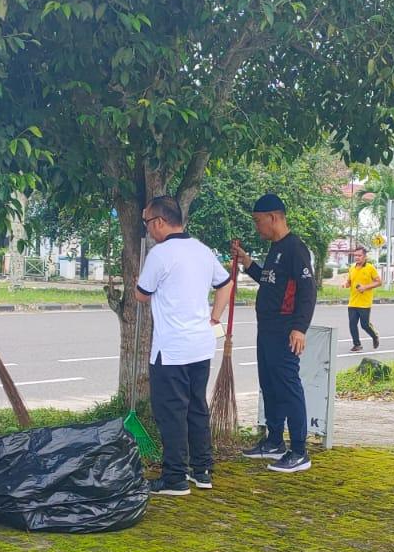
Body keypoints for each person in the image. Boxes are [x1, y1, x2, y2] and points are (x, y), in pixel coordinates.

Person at [134, 196, 234, 495]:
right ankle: (202, 470)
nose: (148, 229)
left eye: (148, 222)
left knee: (171, 411)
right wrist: (214, 317)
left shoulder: (161, 254)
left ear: (161, 222)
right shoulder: (202, 250)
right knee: (196, 406)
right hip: (201, 345)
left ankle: (175, 477)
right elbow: (226, 284)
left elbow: (141, 294)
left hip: (171, 348)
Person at [230, 194, 316, 474]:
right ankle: (274, 440)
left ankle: (299, 451)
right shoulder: (276, 248)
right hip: (266, 329)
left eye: (258, 221)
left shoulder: (295, 249)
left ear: (274, 218)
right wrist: (247, 262)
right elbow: (270, 281)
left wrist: (299, 328)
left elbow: (308, 292)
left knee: (288, 387)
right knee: (269, 385)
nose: (257, 227)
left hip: (284, 329)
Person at [343, 246, 382, 352]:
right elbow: (350, 281)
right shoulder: (352, 268)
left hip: (365, 303)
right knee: (352, 323)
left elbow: (379, 282)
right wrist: (345, 284)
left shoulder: (370, 268)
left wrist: (365, 287)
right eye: (355, 255)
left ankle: (375, 336)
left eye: (359, 255)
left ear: (365, 256)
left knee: (364, 325)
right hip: (353, 302)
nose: (357, 257)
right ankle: (357, 344)